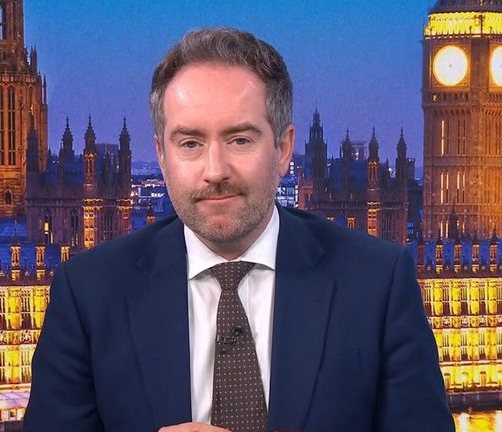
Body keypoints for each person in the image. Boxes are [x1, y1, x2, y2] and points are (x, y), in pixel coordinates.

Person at [24, 27, 454, 432]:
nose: (215, 170)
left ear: (284, 149)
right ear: (161, 155)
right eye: (190, 143)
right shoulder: (88, 293)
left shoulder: (377, 282)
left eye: (240, 140)